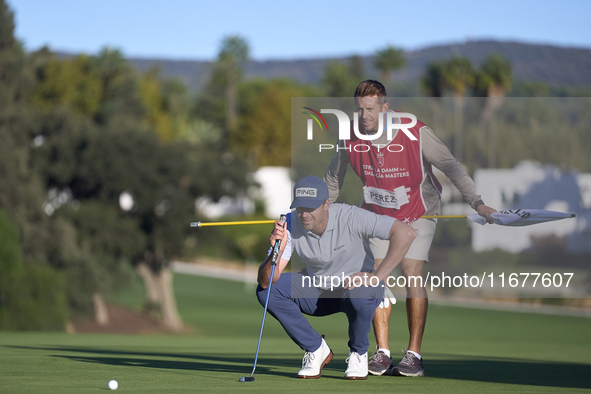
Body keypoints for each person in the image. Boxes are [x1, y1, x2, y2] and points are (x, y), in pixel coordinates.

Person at [324, 80, 496, 377]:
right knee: (375, 275)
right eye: (358, 109)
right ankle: (382, 353)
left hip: (420, 210)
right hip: (378, 214)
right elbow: (333, 177)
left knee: (411, 272)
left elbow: (451, 167)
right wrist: (320, 212)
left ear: (385, 108)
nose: (363, 116)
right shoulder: (348, 136)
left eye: (369, 109)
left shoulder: (414, 131)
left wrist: (478, 203)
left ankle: (414, 355)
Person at [256, 175, 416, 380]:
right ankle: (315, 349)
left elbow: (405, 233)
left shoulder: (351, 216)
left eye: (311, 208)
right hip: (318, 291)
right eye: (300, 208)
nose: (304, 214)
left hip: (357, 290)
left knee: (360, 291)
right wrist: (275, 251)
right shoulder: (289, 223)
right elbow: (266, 280)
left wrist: (376, 277)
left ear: (326, 205)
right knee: (268, 291)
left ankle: (358, 353)